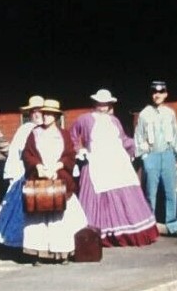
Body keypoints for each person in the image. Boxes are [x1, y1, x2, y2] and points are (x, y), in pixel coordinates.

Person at [68, 88, 159, 246]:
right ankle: (96, 235)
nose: (103, 107)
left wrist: (138, 145)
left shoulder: (114, 120)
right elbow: (72, 136)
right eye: (100, 104)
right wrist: (79, 150)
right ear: (95, 103)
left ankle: (125, 233)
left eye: (106, 104)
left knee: (123, 195)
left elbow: (123, 140)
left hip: (117, 163)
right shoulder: (84, 119)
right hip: (96, 161)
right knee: (98, 197)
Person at [20, 99, 90, 261]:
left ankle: (61, 252)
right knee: (37, 217)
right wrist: (38, 167)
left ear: (56, 116)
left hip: (58, 177)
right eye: (44, 113)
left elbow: (69, 155)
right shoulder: (34, 133)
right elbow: (27, 154)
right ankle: (38, 252)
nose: (45, 116)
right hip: (39, 179)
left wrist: (57, 167)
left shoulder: (64, 134)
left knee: (60, 217)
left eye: (49, 114)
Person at [0, 95, 43, 252]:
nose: (37, 114)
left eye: (40, 110)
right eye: (33, 111)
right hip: (25, 175)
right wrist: (13, 175)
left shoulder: (51, 130)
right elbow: (15, 154)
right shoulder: (25, 129)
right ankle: (22, 245)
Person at [135, 80, 177, 237]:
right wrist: (144, 156)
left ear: (166, 94)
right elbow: (139, 137)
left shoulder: (170, 113)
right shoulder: (144, 114)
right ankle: (150, 226)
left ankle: (172, 225)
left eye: (161, 92)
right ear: (151, 94)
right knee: (151, 193)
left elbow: (176, 134)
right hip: (152, 156)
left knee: (171, 192)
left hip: (168, 154)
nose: (158, 95)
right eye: (155, 92)